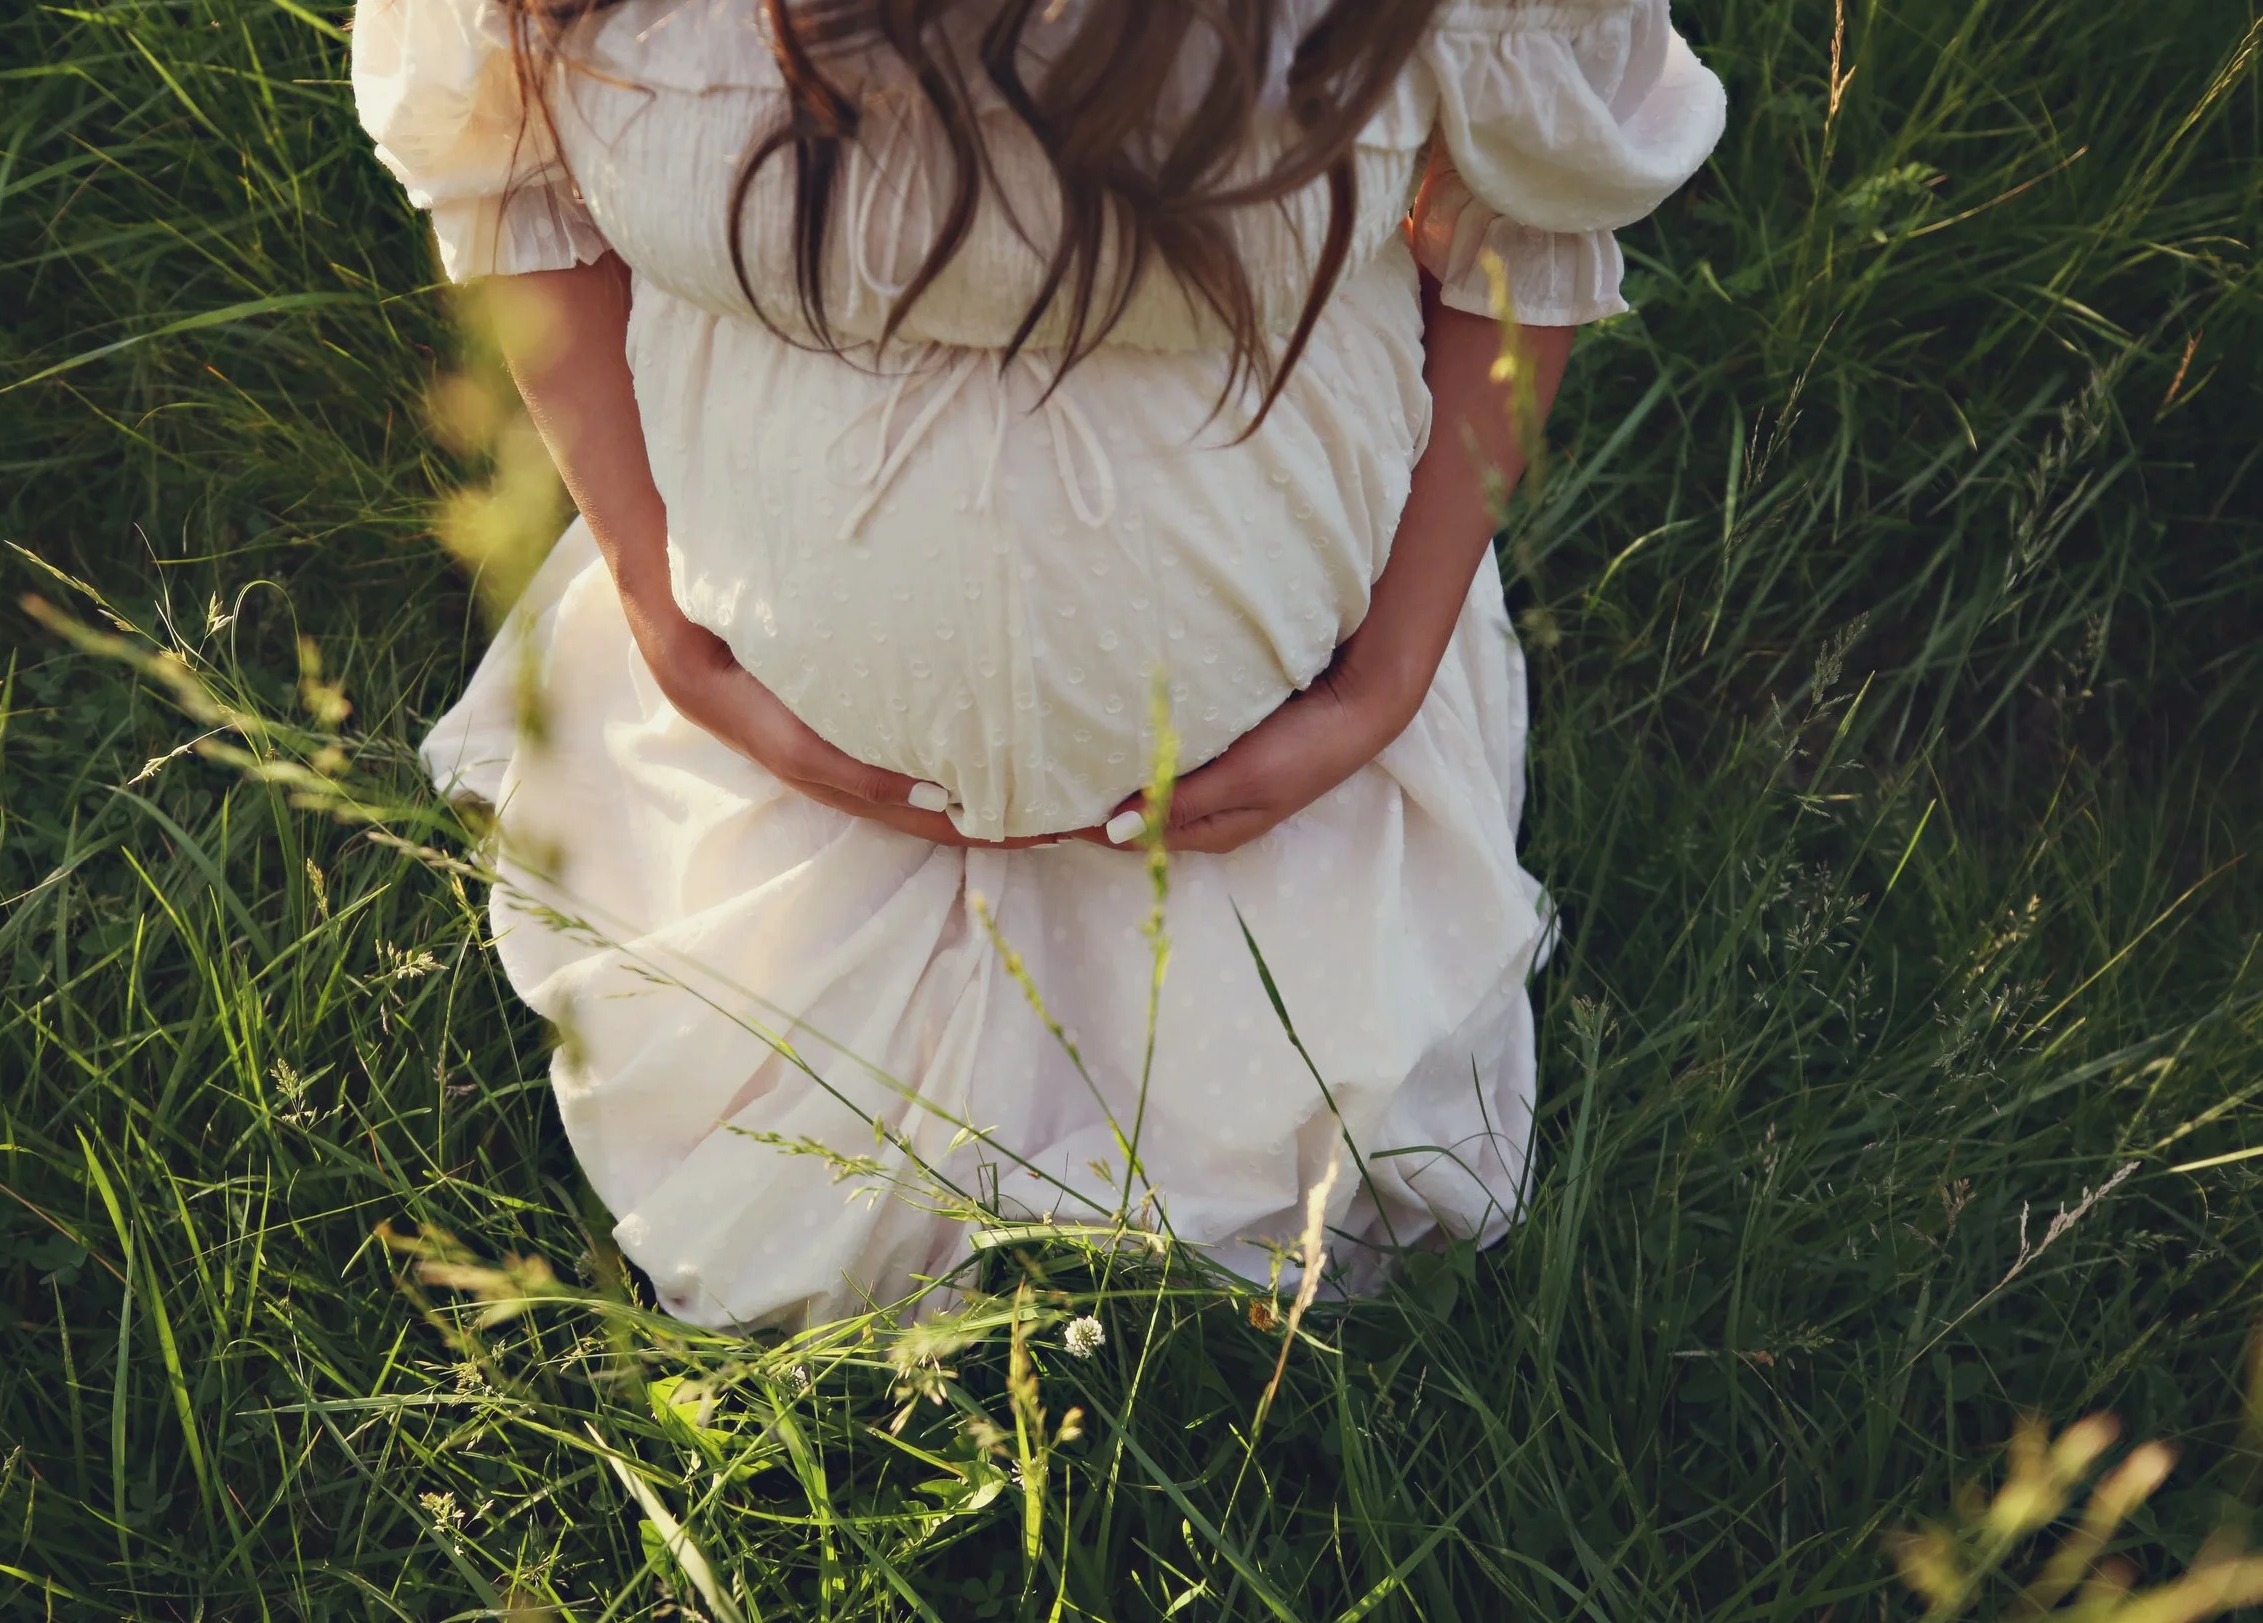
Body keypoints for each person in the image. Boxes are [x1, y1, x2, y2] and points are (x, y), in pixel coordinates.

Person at [351, 0, 1723, 1332]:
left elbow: (1528, 214)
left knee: (1309, 1199)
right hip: (768, 770)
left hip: (1288, 785)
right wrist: (658, 605)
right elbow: (503, 159)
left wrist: (1391, 673)